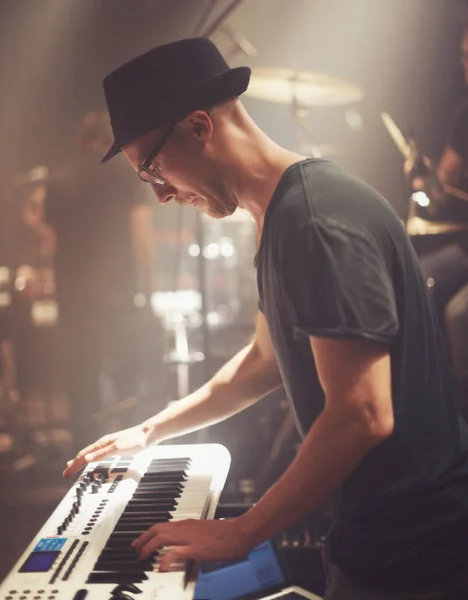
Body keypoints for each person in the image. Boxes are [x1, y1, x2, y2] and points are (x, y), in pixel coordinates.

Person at [63, 39, 468, 599]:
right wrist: (151, 430)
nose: (159, 194)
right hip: (385, 541)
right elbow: (264, 359)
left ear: (200, 126)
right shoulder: (282, 214)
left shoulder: (314, 221)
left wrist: (239, 533)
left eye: (152, 168)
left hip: (416, 559)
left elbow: (364, 414)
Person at [45, 110, 161, 451]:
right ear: (111, 141)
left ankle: (83, 453)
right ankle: (125, 449)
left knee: (81, 379)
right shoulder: (126, 178)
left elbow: (50, 242)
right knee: (125, 375)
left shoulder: (57, 181)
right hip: (117, 293)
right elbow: (142, 238)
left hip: (72, 296)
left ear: (81, 141)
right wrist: (149, 291)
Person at [405, 26, 468, 422]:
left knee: (460, 314)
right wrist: (424, 178)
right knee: (417, 283)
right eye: (464, 55)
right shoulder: (465, 113)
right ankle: (431, 408)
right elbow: (445, 182)